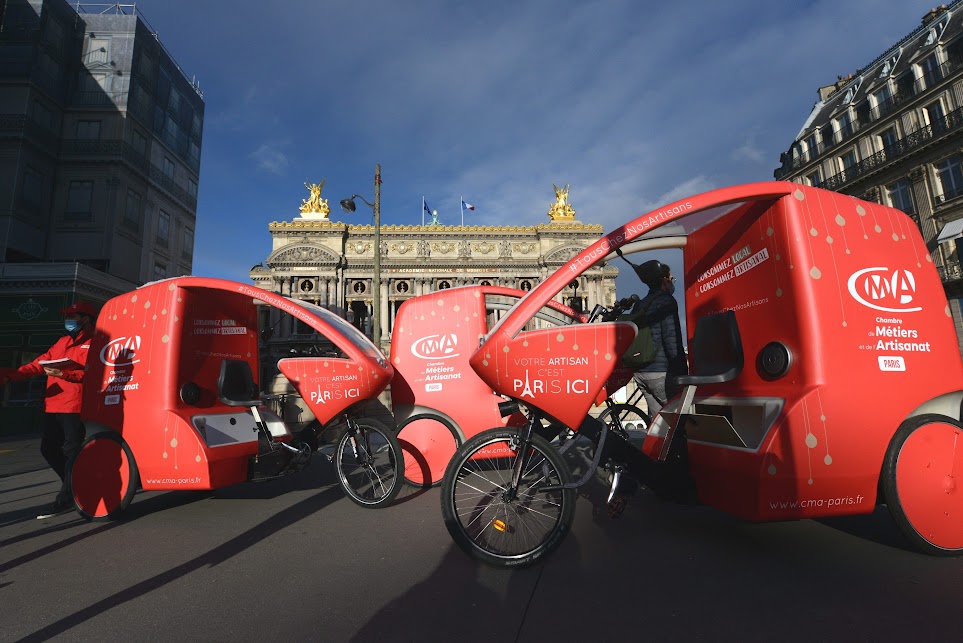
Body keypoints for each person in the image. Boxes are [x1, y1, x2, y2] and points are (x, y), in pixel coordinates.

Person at [1, 301, 96, 519]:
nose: (70, 320)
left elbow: (97, 374)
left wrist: (65, 375)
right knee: (48, 449)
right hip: (53, 404)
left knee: (71, 450)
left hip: (75, 404)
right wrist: (12, 375)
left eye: (74, 316)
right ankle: (75, 485)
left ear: (87, 318)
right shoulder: (61, 342)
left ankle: (66, 498)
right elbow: (37, 364)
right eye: (68, 316)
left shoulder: (96, 342)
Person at [631, 260, 686, 417]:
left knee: (658, 422)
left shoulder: (640, 304)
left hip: (641, 371)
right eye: (671, 279)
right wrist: (682, 372)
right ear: (664, 280)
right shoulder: (666, 301)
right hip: (661, 372)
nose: (672, 283)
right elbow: (671, 339)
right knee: (679, 418)